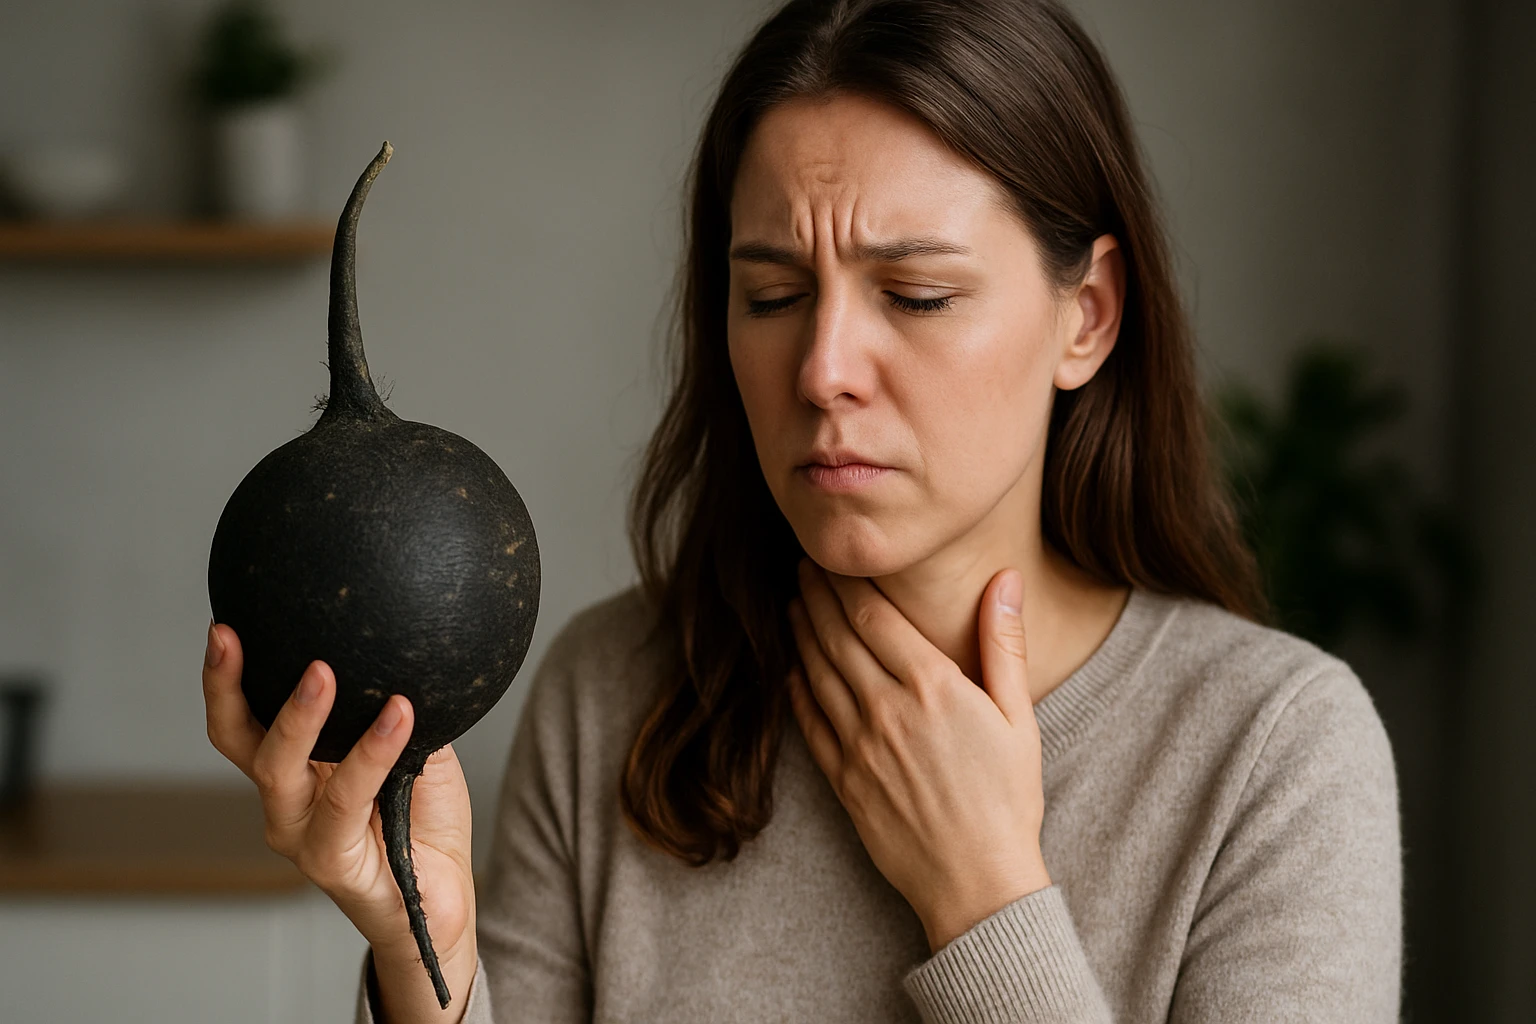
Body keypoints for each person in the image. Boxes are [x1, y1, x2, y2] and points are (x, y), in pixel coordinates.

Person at [201, 0, 1403, 1020]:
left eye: (916, 294)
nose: (823, 370)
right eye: (773, 296)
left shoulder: (1276, 753)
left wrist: (986, 897)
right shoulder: (612, 691)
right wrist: (423, 952)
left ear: (1086, 315)